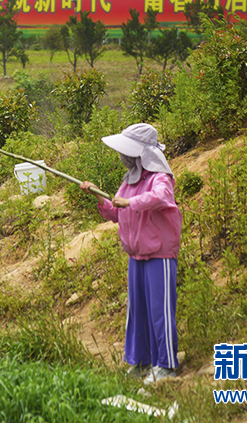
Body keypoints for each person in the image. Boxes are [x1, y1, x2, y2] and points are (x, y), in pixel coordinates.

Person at [80, 123, 182, 385]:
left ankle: (166, 364)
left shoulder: (160, 178)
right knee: (138, 312)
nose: (123, 158)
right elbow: (117, 212)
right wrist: (100, 198)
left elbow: (160, 198)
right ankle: (141, 362)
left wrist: (132, 202)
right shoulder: (129, 182)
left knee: (160, 310)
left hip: (159, 255)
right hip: (136, 255)